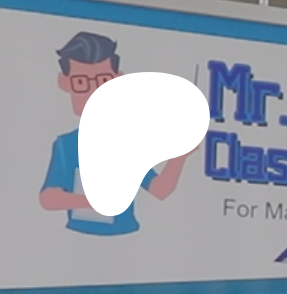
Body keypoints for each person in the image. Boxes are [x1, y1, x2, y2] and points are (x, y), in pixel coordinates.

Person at [39, 31, 188, 235]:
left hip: (128, 240)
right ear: (64, 83)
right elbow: (48, 198)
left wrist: (180, 155)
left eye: (103, 82)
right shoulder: (67, 144)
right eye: (81, 83)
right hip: (75, 238)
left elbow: (159, 189)